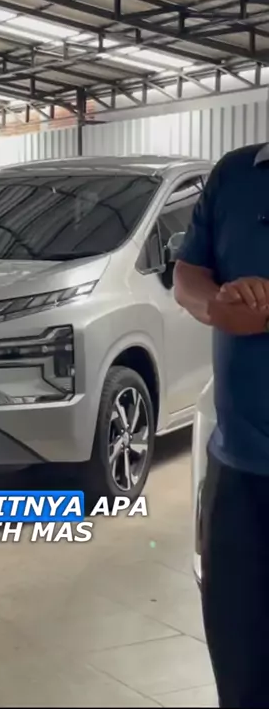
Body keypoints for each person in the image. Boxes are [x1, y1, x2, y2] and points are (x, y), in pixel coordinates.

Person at [174, 143, 269, 708]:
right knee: (239, 665)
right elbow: (188, 273)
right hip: (237, 471)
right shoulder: (235, 174)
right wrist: (216, 304)